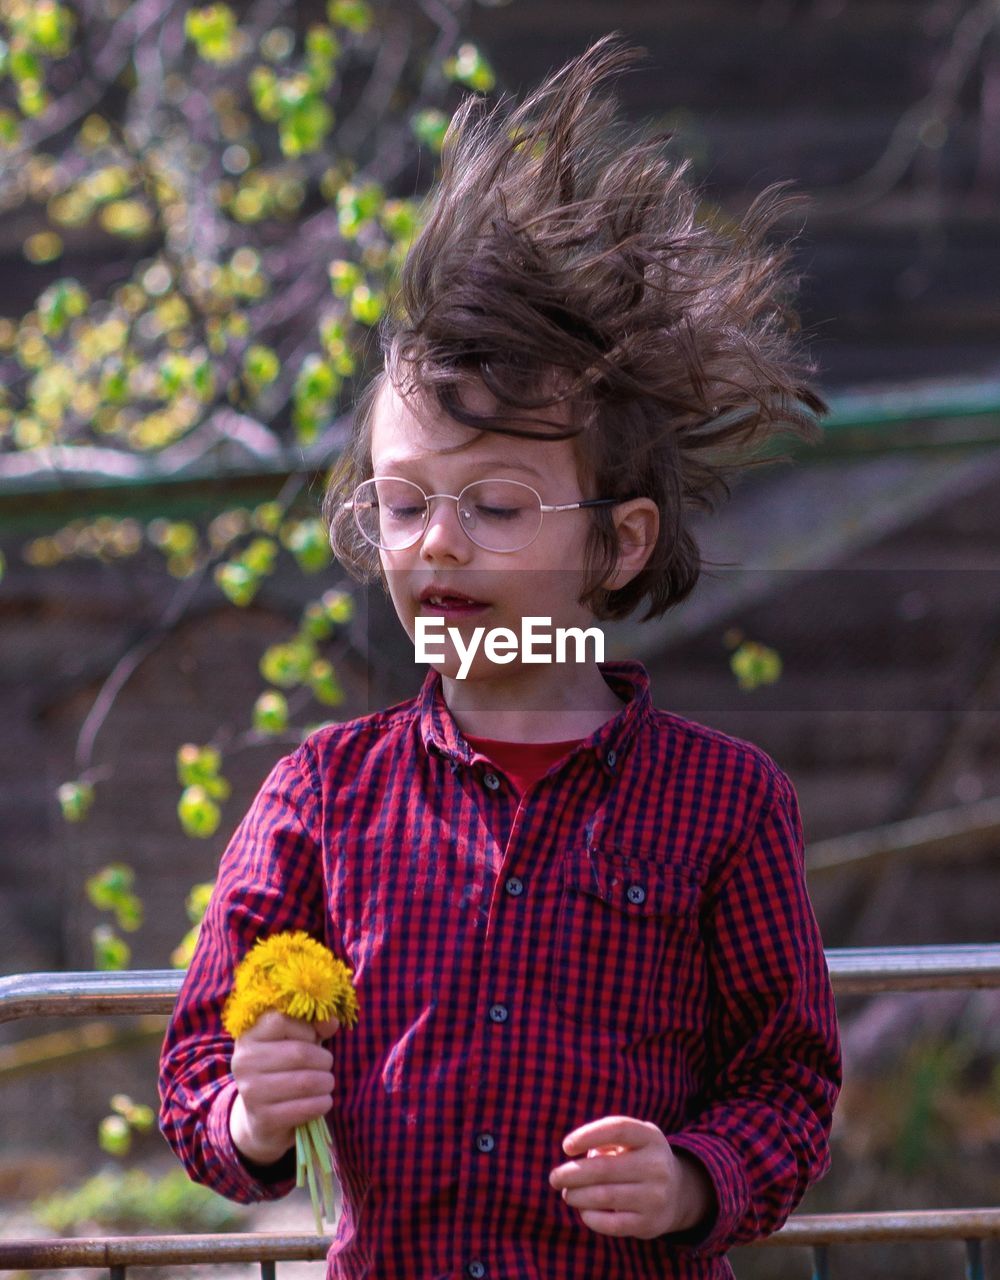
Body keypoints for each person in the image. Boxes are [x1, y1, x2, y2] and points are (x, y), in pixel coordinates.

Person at [158, 35, 841, 1280]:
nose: (437, 543)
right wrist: (253, 1111)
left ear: (619, 542)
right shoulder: (320, 796)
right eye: (405, 501)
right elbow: (198, 1075)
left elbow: (788, 1082)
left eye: (497, 503)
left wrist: (694, 1178)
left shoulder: (727, 802)